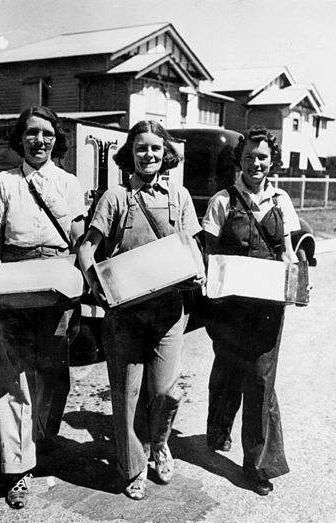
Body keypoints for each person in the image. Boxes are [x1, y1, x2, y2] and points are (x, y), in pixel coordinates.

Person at [0, 106, 86, 509]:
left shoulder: (69, 184)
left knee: (53, 374)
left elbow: (80, 242)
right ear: (21, 138)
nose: (39, 141)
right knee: (12, 375)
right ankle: (17, 468)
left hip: (57, 282)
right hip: (14, 282)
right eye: (32, 133)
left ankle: (40, 436)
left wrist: (92, 283)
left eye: (47, 134)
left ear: (57, 139)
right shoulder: (5, 183)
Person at [78, 120, 205, 500]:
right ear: (129, 155)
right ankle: (133, 468)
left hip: (168, 312)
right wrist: (95, 285)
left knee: (165, 392)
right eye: (140, 149)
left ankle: (160, 444)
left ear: (166, 153)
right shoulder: (115, 197)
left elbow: (191, 246)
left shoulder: (179, 196)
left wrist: (198, 272)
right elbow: (87, 248)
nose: (148, 155)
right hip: (125, 314)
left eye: (154, 148)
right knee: (126, 394)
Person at [202, 125, 300, 496]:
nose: (255, 163)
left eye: (262, 157)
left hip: (268, 308)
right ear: (239, 160)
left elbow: (287, 250)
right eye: (249, 157)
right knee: (227, 369)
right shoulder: (222, 201)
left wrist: (296, 280)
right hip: (229, 306)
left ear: (272, 161)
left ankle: (258, 464)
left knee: (261, 379)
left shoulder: (281, 200)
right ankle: (219, 429)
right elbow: (210, 253)